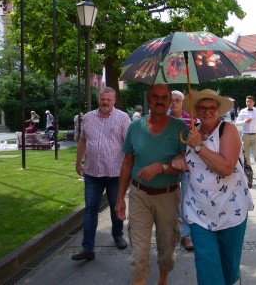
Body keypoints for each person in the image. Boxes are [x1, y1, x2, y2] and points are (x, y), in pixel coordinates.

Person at [172, 89, 253, 285]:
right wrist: (179, 157)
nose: (207, 111)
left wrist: (199, 147)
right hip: (199, 213)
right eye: (202, 108)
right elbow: (183, 156)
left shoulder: (228, 130)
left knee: (228, 268)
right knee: (207, 267)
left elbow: (226, 167)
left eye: (211, 108)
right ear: (196, 111)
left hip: (231, 211)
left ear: (218, 110)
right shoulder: (190, 133)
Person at [115, 84, 189, 285]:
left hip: (168, 195)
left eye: (164, 97)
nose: (160, 100)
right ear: (148, 100)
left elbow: (185, 164)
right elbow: (127, 162)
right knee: (139, 253)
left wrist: (162, 167)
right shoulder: (134, 127)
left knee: (166, 248)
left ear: (169, 100)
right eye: (155, 97)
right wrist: (120, 197)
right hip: (139, 195)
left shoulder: (180, 128)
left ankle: (163, 280)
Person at [72, 87, 131, 261]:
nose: (105, 102)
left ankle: (118, 234)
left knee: (116, 205)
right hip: (92, 172)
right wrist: (78, 163)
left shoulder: (122, 118)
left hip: (115, 172)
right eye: (102, 99)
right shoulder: (88, 118)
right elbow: (83, 140)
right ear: (98, 99)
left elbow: (128, 146)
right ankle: (87, 248)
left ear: (114, 101)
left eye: (108, 100)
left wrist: (130, 169)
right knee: (90, 209)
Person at [168, 90, 198, 252]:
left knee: (186, 201)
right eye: (171, 100)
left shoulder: (191, 119)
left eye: (177, 100)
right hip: (167, 169)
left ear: (183, 102)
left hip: (187, 167)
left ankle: (186, 235)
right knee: (168, 202)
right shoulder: (161, 120)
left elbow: (198, 141)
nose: (174, 103)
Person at [236, 95, 256, 183]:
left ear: (254, 102)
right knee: (246, 157)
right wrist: (244, 121)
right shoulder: (242, 111)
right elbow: (237, 122)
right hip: (245, 136)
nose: (248, 103)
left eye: (250, 101)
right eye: (247, 102)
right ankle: (249, 174)